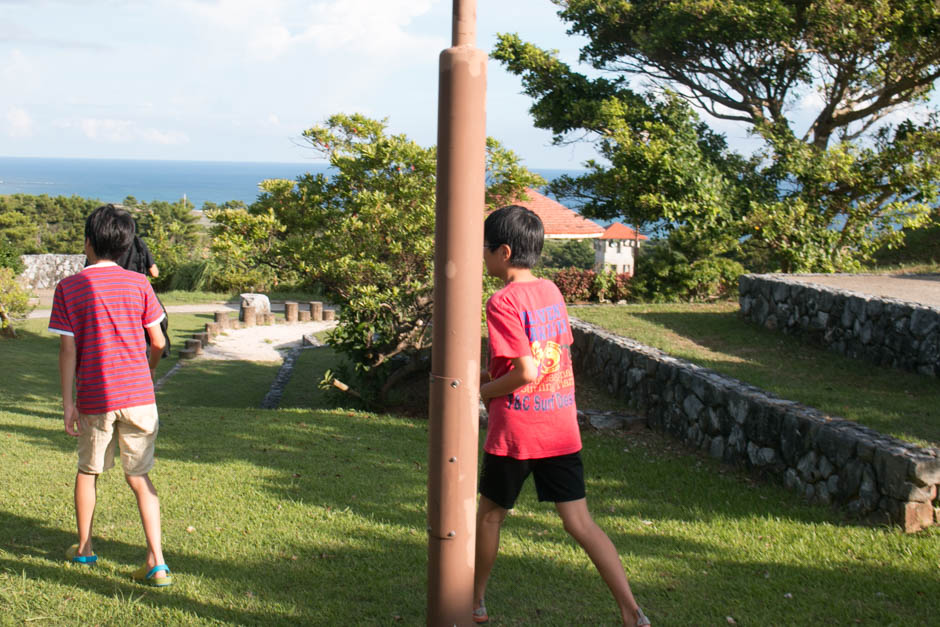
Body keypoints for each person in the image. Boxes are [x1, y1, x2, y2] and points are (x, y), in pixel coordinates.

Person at [473, 205, 649, 626]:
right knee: (580, 523)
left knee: (490, 516)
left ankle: (476, 601)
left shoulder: (501, 301)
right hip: (559, 427)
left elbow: (525, 371)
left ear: (504, 251)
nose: (481, 255)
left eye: (484, 248)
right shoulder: (550, 290)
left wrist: (478, 392)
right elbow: (549, 359)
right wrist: (487, 375)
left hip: (517, 433)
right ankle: (632, 611)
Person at [49, 204, 173, 587]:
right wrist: (146, 371)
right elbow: (158, 340)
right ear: (125, 247)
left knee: (89, 471)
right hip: (139, 396)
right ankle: (158, 562)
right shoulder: (140, 284)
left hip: (95, 396)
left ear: (88, 242)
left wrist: (68, 403)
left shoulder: (69, 287)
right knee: (140, 477)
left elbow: (68, 350)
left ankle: (85, 548)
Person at [117, 233, 170, 358]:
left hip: (116, 293)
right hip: (138, 293)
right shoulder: (138, 242)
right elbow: (154, 272)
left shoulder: (109, 245)